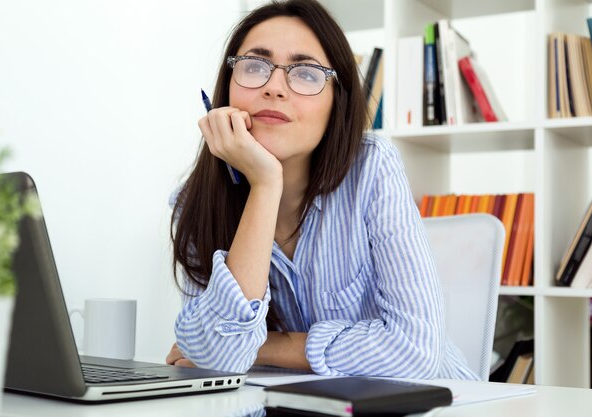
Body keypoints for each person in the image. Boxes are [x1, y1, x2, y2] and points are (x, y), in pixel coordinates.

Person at [166, 0, 477, 380]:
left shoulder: (372, 169)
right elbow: (220, 358)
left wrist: (265, 345)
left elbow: (413, 353)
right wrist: (265, 184)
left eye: (307, 74)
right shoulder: (195, 202)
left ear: (337, 102)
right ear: (227, 88)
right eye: (254, 66)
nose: (274, 88)